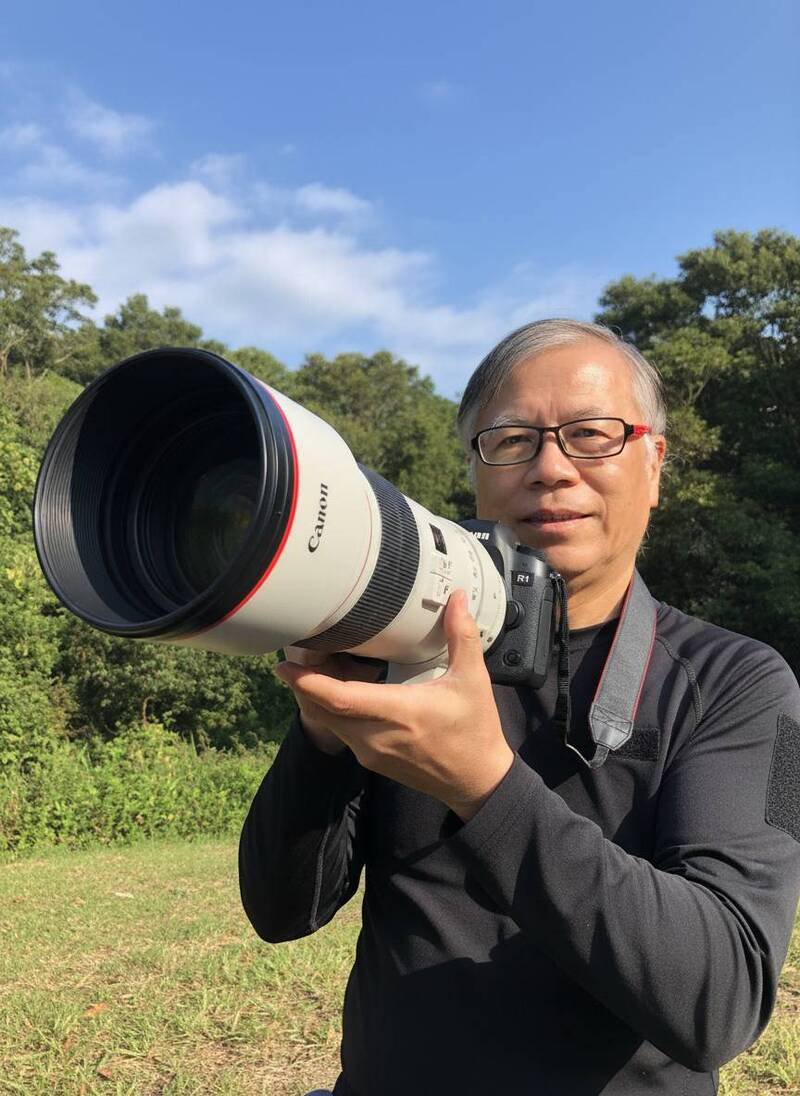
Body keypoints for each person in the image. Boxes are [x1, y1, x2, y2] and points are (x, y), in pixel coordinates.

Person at [238, 319, 800, 1096]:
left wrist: (485, 786)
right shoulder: (412, 647)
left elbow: (724, 1002)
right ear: (475, 469)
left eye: (592, 435)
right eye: (511, 440)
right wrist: (318, 739)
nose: (550, 468)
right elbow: (280, 911)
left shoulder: (753, 688)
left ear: (655, 465)